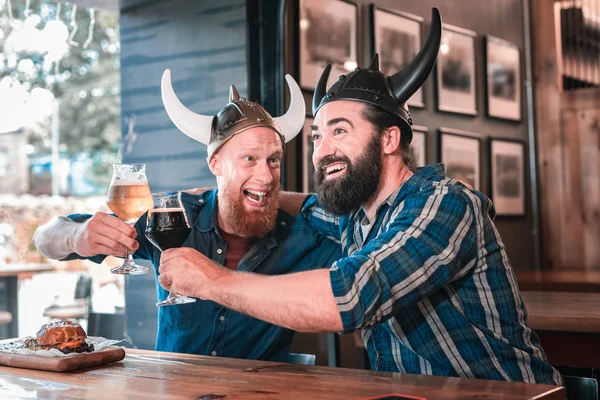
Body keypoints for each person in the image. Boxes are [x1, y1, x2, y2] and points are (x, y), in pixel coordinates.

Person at [156, 9, 563, 385]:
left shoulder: (446, 204)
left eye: (340, 131)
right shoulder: (355, 216)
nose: (321, 150)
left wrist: (212, 281)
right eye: (317, 136)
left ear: (389, 139)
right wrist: (229, 187)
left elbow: (349, 296)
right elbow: (301, 202)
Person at [32, 70, 341, 362]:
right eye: (249, 159)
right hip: (171, 390)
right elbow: (44, 238)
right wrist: (77, 236)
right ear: (216, 164)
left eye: (273, 160)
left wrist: (283, 199)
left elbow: (360, 230)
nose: (266, 176)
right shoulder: (173, 214)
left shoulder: (304, 235)